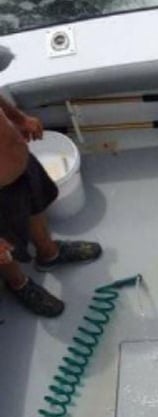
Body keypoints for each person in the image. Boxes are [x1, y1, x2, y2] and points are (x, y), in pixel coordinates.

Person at [0, 96, 102, 317]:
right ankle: (19, 284)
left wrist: (19, 119)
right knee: (5, 250)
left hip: (20, 162)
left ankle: (49, 253)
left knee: (36, 208)